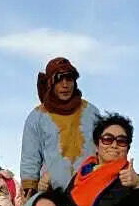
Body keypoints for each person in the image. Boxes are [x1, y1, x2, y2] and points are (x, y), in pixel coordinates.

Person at [19, 57, 102, 196]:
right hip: (53, 193)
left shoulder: (91, 111)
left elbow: (103, 149)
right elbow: (30, 158)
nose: (65, 85)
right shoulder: (37, 116)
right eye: (58, 79)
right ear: (50, 83)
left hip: (89, 190)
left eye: (69, 79)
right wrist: (30, 190)